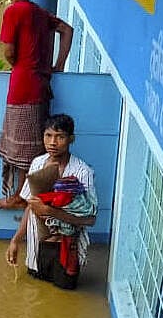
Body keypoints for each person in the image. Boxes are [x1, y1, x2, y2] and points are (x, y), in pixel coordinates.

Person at [0, 0, 74, 209]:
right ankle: (22, 194)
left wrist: (17, 64)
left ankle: (21, 196)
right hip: (40, 85)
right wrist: (59, 64)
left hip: (23, 87)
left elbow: (9, 52)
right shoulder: (38, 12)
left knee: (24, 148)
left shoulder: (14, 11)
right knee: (30, 145)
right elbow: (66, 30)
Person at [6, 115, 97, 290]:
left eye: (60, 137)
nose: (52, 142)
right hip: (36, 247)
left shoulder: (82, 172)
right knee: (36, 290)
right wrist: (15, 240)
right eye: (48, 135)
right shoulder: (37, 163)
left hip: (67, 248)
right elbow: (30, 206)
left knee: (65, 292)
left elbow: (90, 219)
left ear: (71, 139)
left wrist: (49, 211)